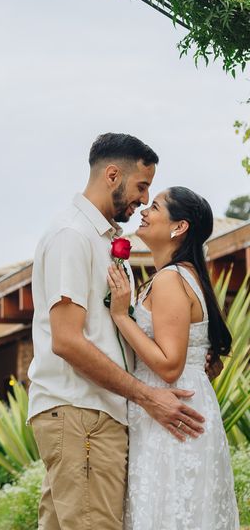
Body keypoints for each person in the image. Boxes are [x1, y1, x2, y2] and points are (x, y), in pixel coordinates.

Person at [27, 133, 206, 530]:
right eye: (141, 186)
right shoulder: (72, 235)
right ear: (112, 175)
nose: (144, 199)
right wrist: (147, 396)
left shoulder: (104, 240)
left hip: (87, 414)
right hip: (83, 413)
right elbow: (67, 341)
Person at [107, 186, 239, 529]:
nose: (144, 211)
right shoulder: (183, 276)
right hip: (178, 410)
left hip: (171, 416)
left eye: (154, 206)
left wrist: (121, 316)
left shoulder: (170, 279)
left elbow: (169, 365)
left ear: (179, 227)